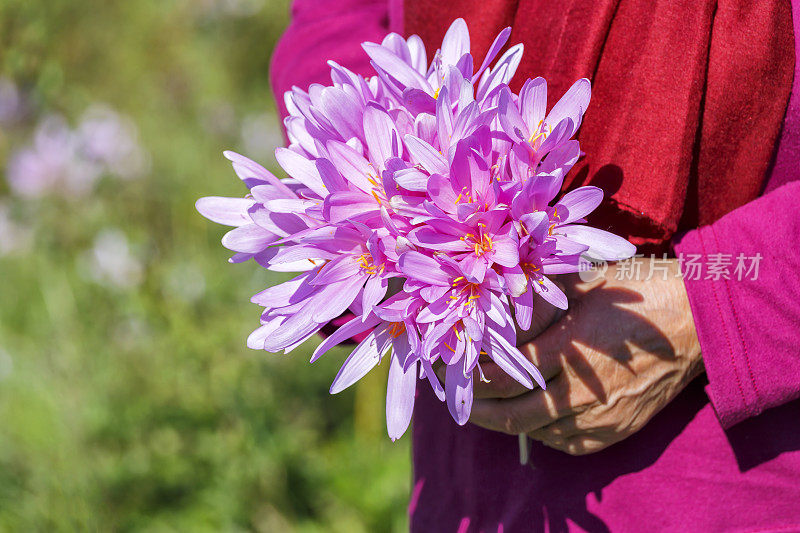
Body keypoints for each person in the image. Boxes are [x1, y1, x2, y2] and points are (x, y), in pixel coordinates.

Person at [270, 0, 800, 530]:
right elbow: (334, 19)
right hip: (469, 485)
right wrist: (375, 181)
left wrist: (709, 310)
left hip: (731, 476)